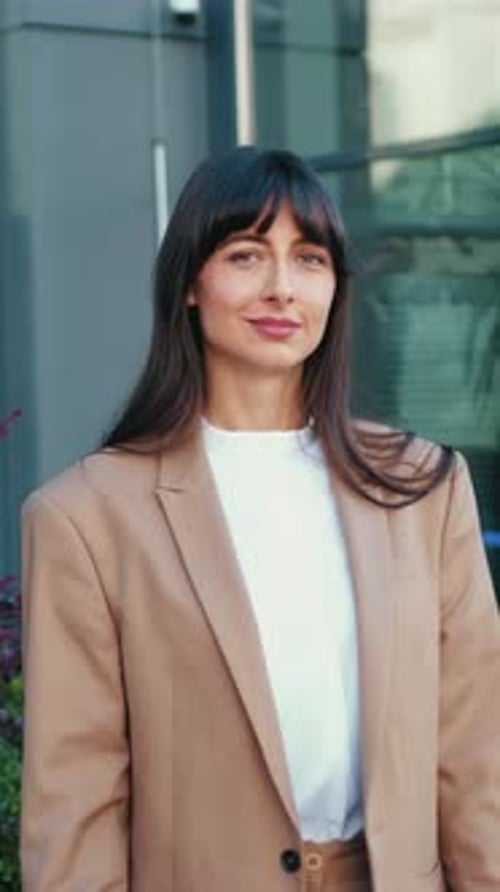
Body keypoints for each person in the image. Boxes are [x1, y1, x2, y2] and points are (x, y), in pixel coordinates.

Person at [21, 146, 500, 892]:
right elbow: (75, 805)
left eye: (309, 260)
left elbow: (475, 752)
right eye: (247, 255)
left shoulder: (423, 489)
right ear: (189, 283)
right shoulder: (86, 517)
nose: (283, 288)